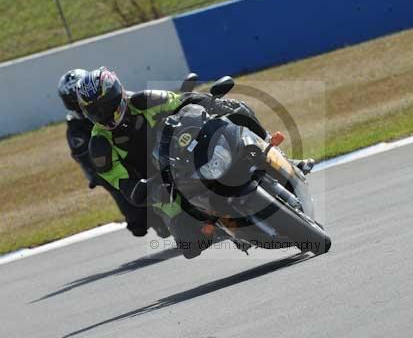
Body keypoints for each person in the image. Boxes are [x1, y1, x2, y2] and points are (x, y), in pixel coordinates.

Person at [76, 67, 314, 258]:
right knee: (190, 242)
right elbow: (124, 184)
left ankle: (278, 154)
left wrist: (212, 103)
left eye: (106, 106)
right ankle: (226, 228)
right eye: (95, 111)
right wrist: (142, 189)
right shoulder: (100, 147)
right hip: (161, 185)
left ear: (118, 94)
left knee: (239, 109)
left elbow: (184, 100)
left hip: (188, 153)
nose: (104, 114)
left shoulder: (146, 100)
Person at [57, 69, 168, 238]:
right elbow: (90, 160)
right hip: (105, 168)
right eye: (72, 98)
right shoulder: (76, 131)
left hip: (134, 149)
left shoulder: (121, 100)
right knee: (138, 222)